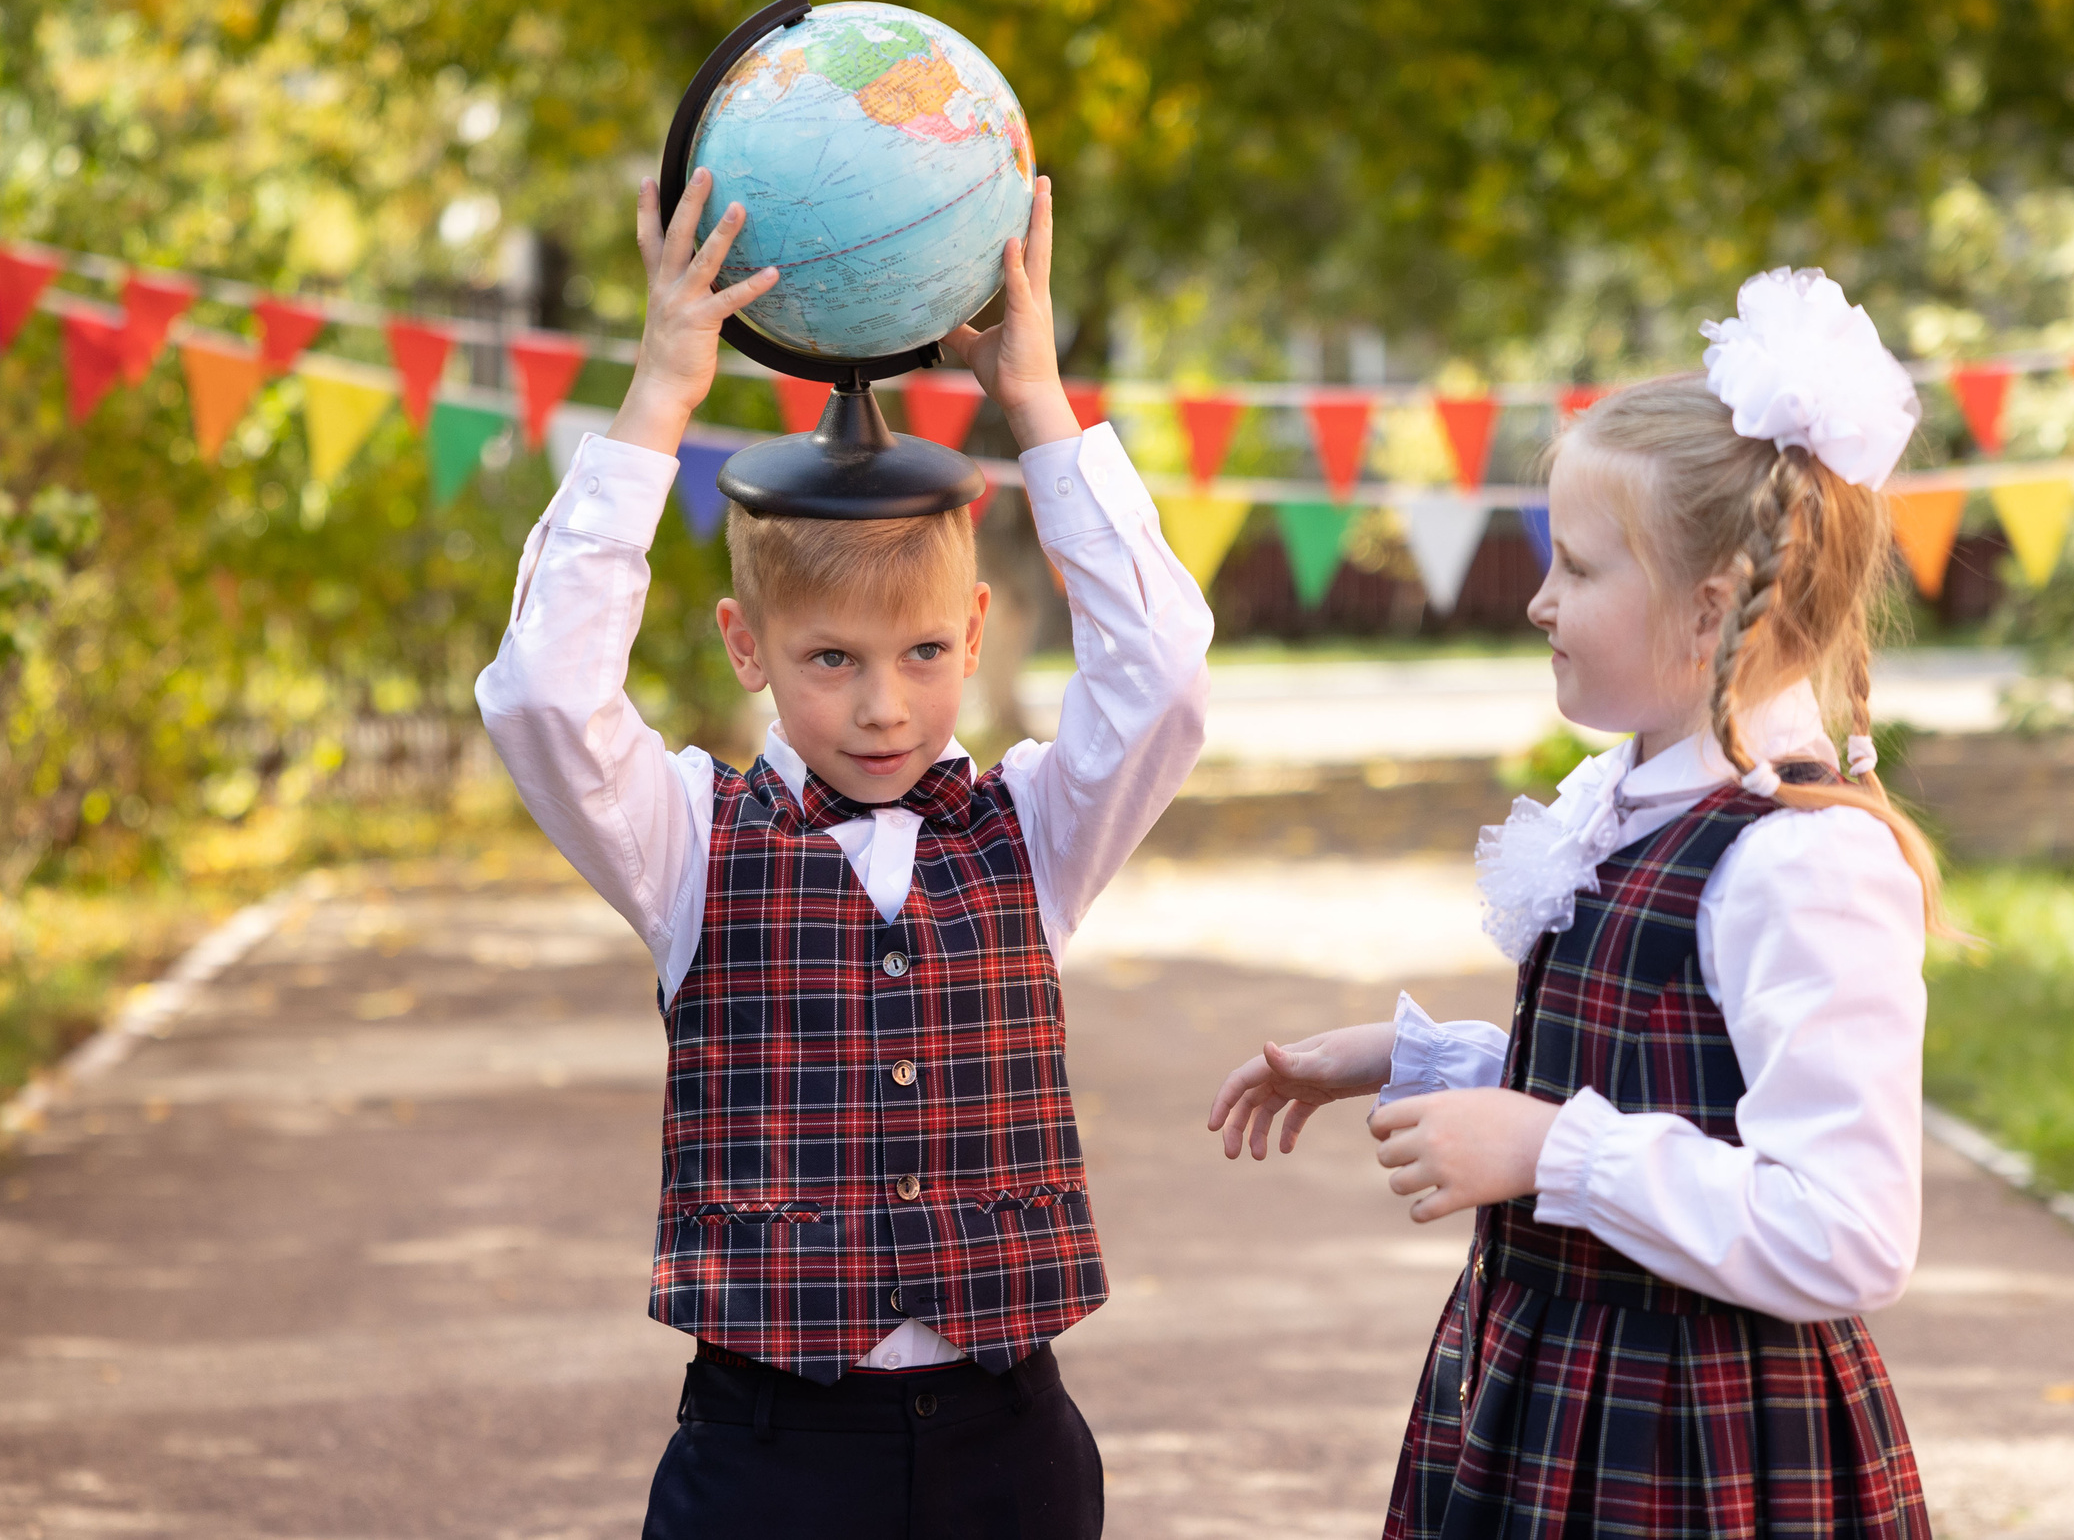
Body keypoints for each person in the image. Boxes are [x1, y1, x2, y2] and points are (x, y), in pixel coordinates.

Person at [478, 166, 1211, 1540]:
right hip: (769, 1452)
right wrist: (659, 399)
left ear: (979, 629)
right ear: (746, 646)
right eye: (832, 659)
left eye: (925, 651)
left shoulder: (1035, 831)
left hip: (1013, 1440)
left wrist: (1038, 407)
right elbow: (538, 698)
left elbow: (1164, 675)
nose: (884, 702)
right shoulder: (687, 841)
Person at [1207, 269, 1943, 1538]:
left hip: (1693, 1438)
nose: (1540, 600)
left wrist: (1551, 1151)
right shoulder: (1632, 797)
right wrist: (1416, 1057)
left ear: (1709, 608)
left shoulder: (1797, 860)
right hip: (1553, 1391)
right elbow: (1661, 1078)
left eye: (1580, 569)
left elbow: (1850, 1232)